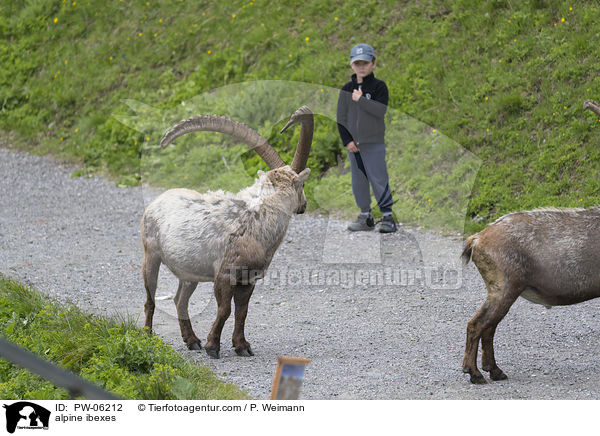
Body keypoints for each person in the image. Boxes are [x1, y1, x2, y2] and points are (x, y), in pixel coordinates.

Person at [337, 43, 396, 233]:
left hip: (374, 144)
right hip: (355, 147)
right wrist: (347, 141)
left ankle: (387, 216)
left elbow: (380, 111)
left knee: (379, 178)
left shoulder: (379, 87)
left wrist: (361, 101)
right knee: (359, 182)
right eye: (357, 63)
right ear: (352, 65)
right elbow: (341, 118)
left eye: (365, 62)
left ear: (373, 63)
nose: (361, 67)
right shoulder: (347, 89)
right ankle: (365, 216)